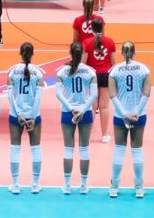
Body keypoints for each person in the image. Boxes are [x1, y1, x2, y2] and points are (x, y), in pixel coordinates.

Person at [108, 41, 151, 198]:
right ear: (134, 52)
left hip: (120, 116)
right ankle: (139, 187)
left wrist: (123, 114)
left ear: (121, 52)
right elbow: (146, 93)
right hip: (139, 116)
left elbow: (112, 95)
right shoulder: (144, 69)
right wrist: (136, 112)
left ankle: (114, 186)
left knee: (119, 149)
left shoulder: (114, 70)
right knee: (137, 149)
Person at [55, 42, 98, 195]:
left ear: (70, 53)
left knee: (68, 148)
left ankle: (67, 185)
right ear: (82, 54)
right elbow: (94, 94)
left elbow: (58, 94)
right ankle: (84, 185)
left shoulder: (62, 71)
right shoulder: (90, 71)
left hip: (68, 113)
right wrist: (82, 110)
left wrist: (71, 108)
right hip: (85, 113)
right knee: (84, 148)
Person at [6, 42, 45, 194]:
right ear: (32, 54)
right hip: (33, 116)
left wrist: (19, 115)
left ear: (20, 53)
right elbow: (38, 98)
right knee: (35, 148)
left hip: (16, 116)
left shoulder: (12, 72)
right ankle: (35, 184)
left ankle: (15, 184)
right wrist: (32, 117)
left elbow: (10, 96)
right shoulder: (38, 73)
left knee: (15, 148)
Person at [81, 19, 117, 144]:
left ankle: (87, 135)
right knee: (104, 106)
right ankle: (105, 135)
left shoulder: (87, 42)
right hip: (106, 75)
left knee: (92, 106)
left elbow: (83, 63)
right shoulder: (110, 41)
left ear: (91, 29)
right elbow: (113, 63)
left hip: (92, 76)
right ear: (102, 28)